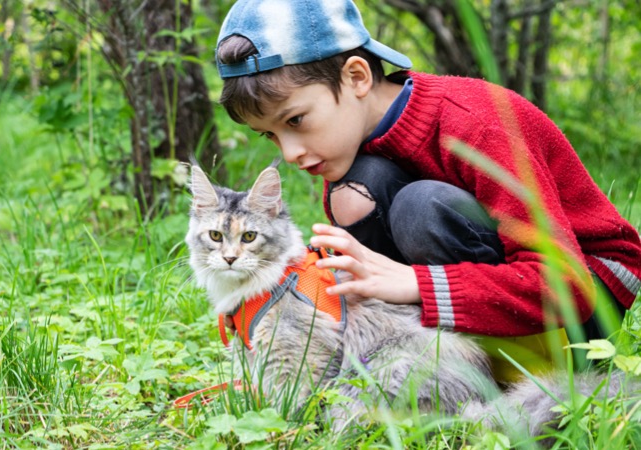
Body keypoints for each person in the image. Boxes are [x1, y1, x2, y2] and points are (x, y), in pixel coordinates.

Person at [214, 0, 641, 380]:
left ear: (357, 77)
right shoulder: (352, 160)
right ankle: (436, 364)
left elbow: (568, 284)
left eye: (295, 121)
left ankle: (517, 372)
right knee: (358, 190)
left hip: (586, 292)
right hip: (496, 282)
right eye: (268, 135)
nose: (289, 152)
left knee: (421, 207)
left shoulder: (475, 122)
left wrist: (417, 283)